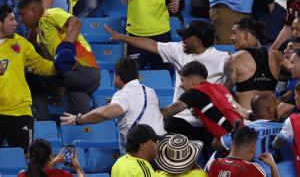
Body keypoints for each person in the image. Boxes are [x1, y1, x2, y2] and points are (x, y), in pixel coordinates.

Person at [104, 20, 228, 156]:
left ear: (198, 42)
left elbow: (227, 90)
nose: (182, 39)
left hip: (209, 120)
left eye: (186, 37)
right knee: (163, 153)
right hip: (181, 117)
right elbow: (151, 44)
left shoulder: (223, 59)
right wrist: (122, 37)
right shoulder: (179, 49)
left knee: (227, 146)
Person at [17, 0, 100, 120]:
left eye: (22, 14)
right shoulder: (40, 38)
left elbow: (76, 22)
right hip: (83, 81)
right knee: (76, 122)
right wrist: (59, 90)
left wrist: (66, 50)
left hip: (81, 68)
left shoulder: (50, 15)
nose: (20, 19)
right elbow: (53, 67)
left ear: (34, 11)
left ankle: (42, 119)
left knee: (31, 73)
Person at [60, 56, 166, 155]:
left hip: (142, 150)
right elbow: (156, 104)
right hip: (162, 146)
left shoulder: (124, 94)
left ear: (117, 77)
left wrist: (79, 119)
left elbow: (104, 114)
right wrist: (121, 104)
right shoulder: (150, 91)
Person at [0, 5, 58, 155]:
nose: (16, 23)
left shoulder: (21, 43)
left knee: (26, 157)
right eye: (11, 19)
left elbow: (39, 65)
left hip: (19, 111)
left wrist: (60, 66)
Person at [212, 92, 297, 177]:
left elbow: (217, 144)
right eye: (276, 103)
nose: (278, 105)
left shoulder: (247, 130)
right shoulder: (291, 127)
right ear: (270, 110)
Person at [160, 60, 243, 138]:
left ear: (192, 80)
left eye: (182, 80)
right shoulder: (220, 87)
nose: (181, 85)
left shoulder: (194, 92)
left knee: (172, 122)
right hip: (243, 134)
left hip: (230, 139)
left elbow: (165, 114)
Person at [221, 17, 290, 111]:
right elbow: (296, 70)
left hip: (247, 118)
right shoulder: (277, 56)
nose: (231, 37)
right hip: (271, 117)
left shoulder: (234, 59)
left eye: (234, 33)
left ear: (246, 35)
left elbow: (222, 92)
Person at [209, 126, 281, 177]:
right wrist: (273, 166)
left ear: (231, 145)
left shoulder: (214, 164)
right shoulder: (252, 169)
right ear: (253, 149)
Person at [18, 139, 86, 177]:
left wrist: (52, 164)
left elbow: (41, 170)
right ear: (50, 157)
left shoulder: (22, 175)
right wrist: (77, 167)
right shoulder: (61, 174)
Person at [274, 80, 300, 176]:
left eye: (295, 95)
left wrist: (274, 143)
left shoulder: (293, 121)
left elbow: (278, 143)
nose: (294, 98)